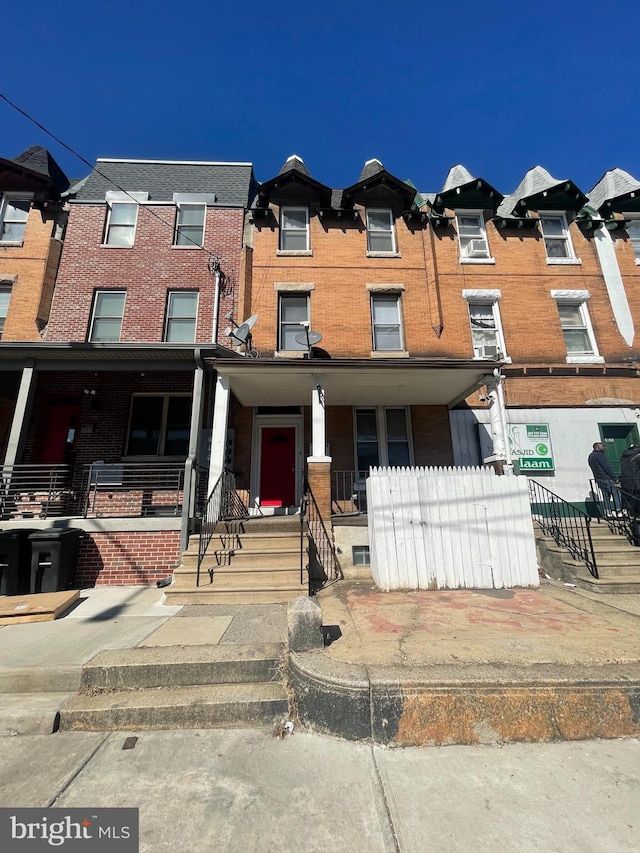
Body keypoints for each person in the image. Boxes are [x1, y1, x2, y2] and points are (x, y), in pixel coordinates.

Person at [588, 441, 623, 516]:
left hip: (598, 478)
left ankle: (607, 512)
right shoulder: (599, 455)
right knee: (616, 494)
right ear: (597, 447)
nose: (604, 447)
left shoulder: (591, 456)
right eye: (602, 446)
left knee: (605, 495)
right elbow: (606, 467)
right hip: (606, 478)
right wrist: (614, 478)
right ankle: (619, 512)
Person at [619, 444, 640, 516]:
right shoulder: (636, 456)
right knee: (637, 497)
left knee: (630, 497)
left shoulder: (624, 456)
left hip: (626, 480)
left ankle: (632, 512)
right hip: (636, 479)